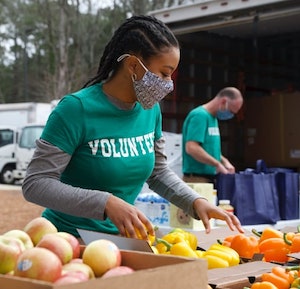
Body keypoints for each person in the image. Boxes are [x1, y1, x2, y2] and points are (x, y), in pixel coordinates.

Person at [22, 15, 244, 242]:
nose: (169, 84)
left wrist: (196, 201)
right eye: (165, 73)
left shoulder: (151, 110)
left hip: (120, 241)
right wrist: (106, 202)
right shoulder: (75, 109)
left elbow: (157, 173)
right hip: (66, 241)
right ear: (133, 66)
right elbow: (36, 183)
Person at [182, 87, 243, 184]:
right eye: (231, 112)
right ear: (223, 102)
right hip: (197, 179)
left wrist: (224, 161)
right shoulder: (200, 116)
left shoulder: (213, 118)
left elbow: (209, 149)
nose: (231, 115)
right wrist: (216, 164)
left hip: (209, 178)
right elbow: (192, 147)